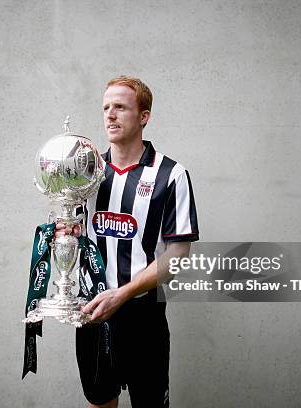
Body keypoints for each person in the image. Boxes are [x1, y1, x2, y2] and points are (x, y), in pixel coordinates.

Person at [57, 76, 199, 408]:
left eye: (120, 107)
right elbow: (71, 230)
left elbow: (178, 255)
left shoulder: (171, 174)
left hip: (143, 317)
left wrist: (122, 293)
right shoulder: (86, 173)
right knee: (100, 403)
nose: (110, 115)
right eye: (106, 107)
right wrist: (65, 233)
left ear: (144, 116)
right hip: (93, 313)